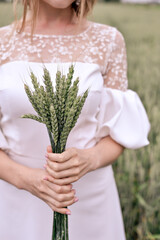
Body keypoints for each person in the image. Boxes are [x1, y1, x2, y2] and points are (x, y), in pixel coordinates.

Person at [0, 0, 150, 239]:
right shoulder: (2, 41)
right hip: (17, 199)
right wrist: (27, 180)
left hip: (89, 200)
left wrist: (90, 159)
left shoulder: (109, 40)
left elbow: (119, 129)